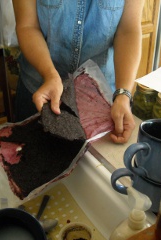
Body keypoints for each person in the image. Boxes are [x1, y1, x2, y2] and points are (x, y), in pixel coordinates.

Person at [12, 0, 144, 144]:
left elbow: (128, 30)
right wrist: (50, 74)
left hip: (101, 99)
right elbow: (28, 26)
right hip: (40, 93)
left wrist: (123, 94)